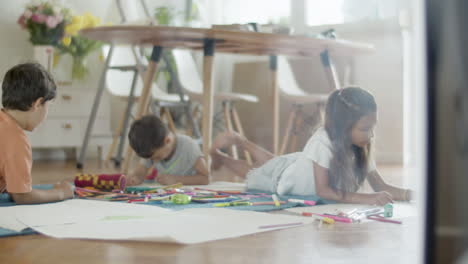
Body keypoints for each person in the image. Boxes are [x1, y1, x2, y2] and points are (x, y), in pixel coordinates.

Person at [210, 86, 412, 205]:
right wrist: (366, 199)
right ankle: (220, 155)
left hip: (299, 168)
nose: (372, 134)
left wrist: (410, 194)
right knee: (253, 172)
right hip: (286, 181)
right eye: (366, 128)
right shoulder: (323, 141)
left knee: (276, 162)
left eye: (372, 127)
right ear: (343, 127)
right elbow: (323, 191)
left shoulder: (361, 144)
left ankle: (240, 141)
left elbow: (381, 186)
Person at [0, 63, 74, 204]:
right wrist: (61, 193)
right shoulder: (16, 140)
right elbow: (22, 196)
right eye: (48, 106)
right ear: (38, 104)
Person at [127, 114, 209, 185]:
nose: (154, 161)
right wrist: (135, 178)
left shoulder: (189, 147)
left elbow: (206, 178)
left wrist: (176, 180)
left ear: (167, 141)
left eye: (157, 157)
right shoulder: (152, 148)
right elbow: (141, 172)